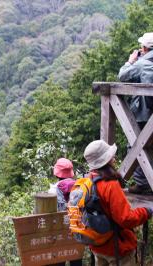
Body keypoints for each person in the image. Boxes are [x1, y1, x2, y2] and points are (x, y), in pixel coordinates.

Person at [83, 140, 152, 266]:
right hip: (117, 249)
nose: (114, 157)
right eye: (111, 156)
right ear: (107, 160)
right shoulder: (110, 186)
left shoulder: (87, 182)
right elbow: (126, 219)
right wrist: (146, 211)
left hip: (98, 246)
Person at [118, 32, 153, 194]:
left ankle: (143, 183)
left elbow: (123, 76)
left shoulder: (142, 63)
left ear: (144, 48)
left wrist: (130, 62)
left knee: (135, 145)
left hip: (144, 113)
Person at [53, 158, 83, 266]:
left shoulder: (54, 188)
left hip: (60, 231)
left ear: (57, 173)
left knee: (60, 258)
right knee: (76, 259)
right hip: (77, 229)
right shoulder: (79, 185)